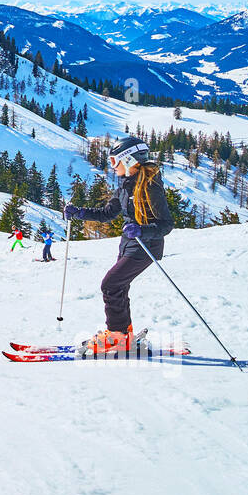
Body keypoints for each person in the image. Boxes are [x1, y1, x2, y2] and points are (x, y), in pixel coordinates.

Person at [63, 136, 175, 355]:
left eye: (115, 161)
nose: (112, 167)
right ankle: (124, 334)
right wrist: (80, 212)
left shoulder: (151, 186)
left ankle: (117, 337)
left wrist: (142, 230)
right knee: (119, 287)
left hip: (145, 247)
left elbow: (166, 224)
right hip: (128, 245)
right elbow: (108, 213)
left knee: (110, 285)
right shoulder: (125, 186)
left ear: (128, 159)